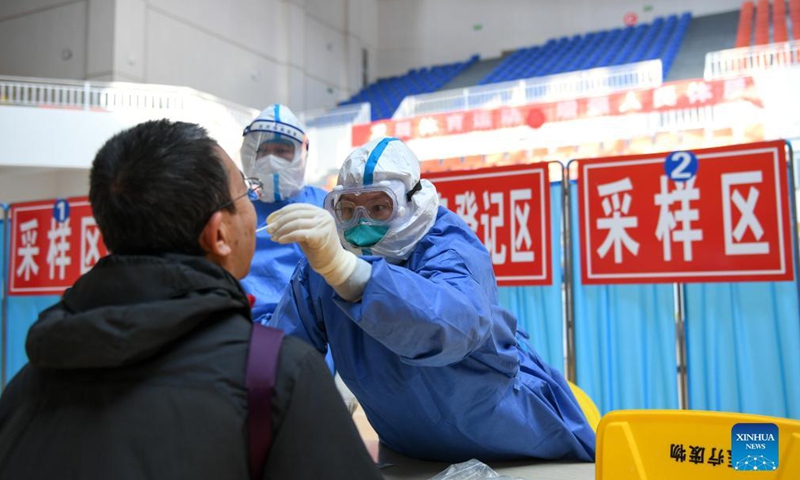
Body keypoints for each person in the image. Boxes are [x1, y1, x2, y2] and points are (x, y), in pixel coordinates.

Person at [0, 120, 382, 480]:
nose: (255, 207)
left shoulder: (29, 380)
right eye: (246, 194)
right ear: (219, 235)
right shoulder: (279, 375)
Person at [267, 137, 596, 463]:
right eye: (349, 210)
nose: (360, 226)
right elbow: (283, 357)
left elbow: (452, 324)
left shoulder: (447, 246)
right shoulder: (324, 266)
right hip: (410, 452)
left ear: (413, 200)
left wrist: (348, 272)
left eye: (379, 208)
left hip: (516, 445)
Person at [238, 104, 327, 324]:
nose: (270, 159)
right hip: (244, 326)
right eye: (264, 150)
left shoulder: (327, 204)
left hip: (310, 328)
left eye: (281, 151)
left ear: (300, 153)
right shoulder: (237, 207)